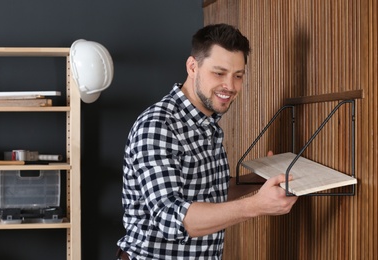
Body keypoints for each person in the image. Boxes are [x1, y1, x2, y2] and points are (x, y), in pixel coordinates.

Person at [117, 23, 298, 260]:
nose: (230, 86)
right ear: (193, 67)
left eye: (238, 75)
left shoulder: (207, 122)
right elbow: (172, 218)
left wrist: (259, 180)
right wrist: (255, 206)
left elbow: (211, 192)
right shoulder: (158, 126)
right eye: (219, 73)